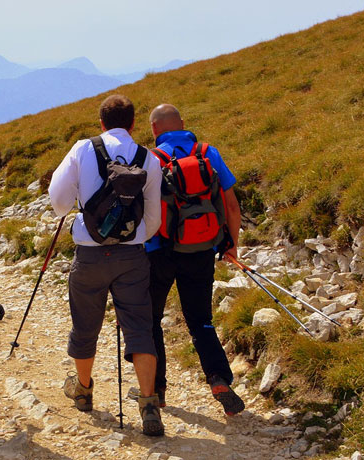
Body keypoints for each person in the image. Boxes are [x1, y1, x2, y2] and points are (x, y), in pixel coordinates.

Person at [48, 94, 166, 437]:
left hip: (89, 254)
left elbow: (58, 201)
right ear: (132, 123)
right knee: (140, 328)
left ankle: (83, 390)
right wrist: (135, 236)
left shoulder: (84, 148)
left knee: (85, 325)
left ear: (101, 123)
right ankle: (148, 404)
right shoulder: (149, 158)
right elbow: (154, 215)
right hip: (132, 256)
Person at [143, 103, 245, 416]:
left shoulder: (152, 159)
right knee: (201, 320)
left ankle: (156, 391)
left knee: (150, 322)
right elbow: (231, 205)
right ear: (183, 123)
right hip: (201, 248)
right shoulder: (208, 153)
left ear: (155, 130)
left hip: (159, 251)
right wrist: (231, 245)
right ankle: (218, 378)